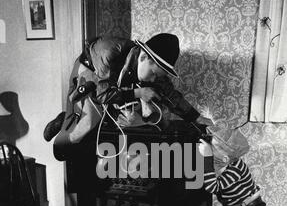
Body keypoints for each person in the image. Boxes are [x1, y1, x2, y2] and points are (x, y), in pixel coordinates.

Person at [43, 33, 213, 142]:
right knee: (90, 122)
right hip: (90, 71)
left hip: (112, 82)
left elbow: (171, 96)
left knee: (136, 118)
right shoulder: (108, 52)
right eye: (153, 74)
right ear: (144, 57)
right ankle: (64, 121)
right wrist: (139, 92)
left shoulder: (152, 70)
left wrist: (196, 118)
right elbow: (103, 95)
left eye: (157, 77)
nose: (154, 80)